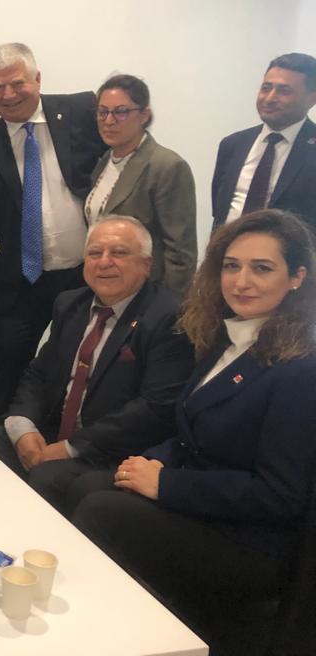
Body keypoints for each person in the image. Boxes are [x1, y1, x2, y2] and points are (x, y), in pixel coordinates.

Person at [73, 209, 316, 647]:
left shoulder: (299, 369)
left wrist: (166, 484)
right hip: (202, 501)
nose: (241, 281)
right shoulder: (229, 338)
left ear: (297, 277)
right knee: (86, 483)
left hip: (246, 540)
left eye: (262, 268)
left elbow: (280, 495)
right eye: (231, 266)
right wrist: (146, 462)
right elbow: (191, 434)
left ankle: (118, 636)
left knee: (100, 510)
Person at [0, 216, 193, 513]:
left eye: (119, 253)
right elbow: (39, 373)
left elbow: (154, 408)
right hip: (56, 432)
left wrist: (70, 448)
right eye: (95, 253)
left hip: (114, 450)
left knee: (47, 477)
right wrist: (23, 427)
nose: (104, 262)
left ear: (147, 265)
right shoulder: (70, 304)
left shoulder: (168, 318)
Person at [0, 42, 107, 423]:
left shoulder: (81, 111)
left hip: (86, 274)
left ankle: (66, 433)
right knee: (10, 363)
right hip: (23, 278)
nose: (8, 95)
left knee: (84, 360)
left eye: (17, 83)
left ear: (37, 79)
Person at [85, 74, 197, 297]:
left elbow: (181, 253)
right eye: (102, 112)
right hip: (110, 289)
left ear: (144, 115)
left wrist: (168, 306)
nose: (109, 121)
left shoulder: (167, 166)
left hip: (148, 294)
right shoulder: (104, 161)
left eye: (121, 112)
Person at [212, 52, 316, 231]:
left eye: (284, 91)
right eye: (266, 88)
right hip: (228, 246)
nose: (269, 98)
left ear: (312, 99)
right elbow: (219, 209)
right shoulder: (233, 144)